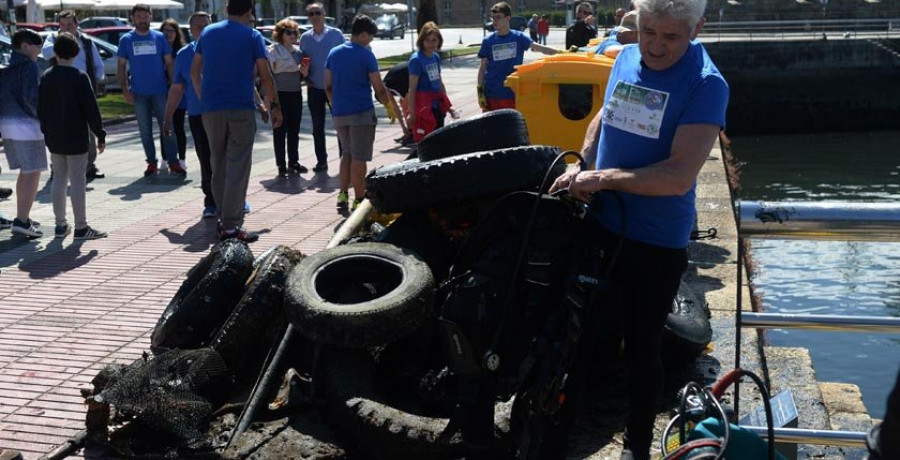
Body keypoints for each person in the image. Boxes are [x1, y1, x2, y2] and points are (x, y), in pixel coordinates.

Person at [548, 1, 729, 459]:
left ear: (697, 29)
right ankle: (560, 429)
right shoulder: (627, 57)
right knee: (581, 337)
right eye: (648, 32)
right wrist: (583, 163)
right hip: (602, 223)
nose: (655, 46)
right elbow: (603, 117)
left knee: (643, 348)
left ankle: (638, 442)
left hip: (655, 240)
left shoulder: (706, 85)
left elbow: (677, 177)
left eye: (671, 37)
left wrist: (603, 178)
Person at [191, 0, 282, 243]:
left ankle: (224, 215)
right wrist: (273, 105)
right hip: (240, 108)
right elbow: (266, 76)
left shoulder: (208, 33)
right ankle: (230, 225)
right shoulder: (252, 36)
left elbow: (194, 71)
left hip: (211, 109)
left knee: (218, 163)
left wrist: (203, 97)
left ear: (227, 10)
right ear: (249, 11)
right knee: (238, 165)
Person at [38, 32, 108, 240]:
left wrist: (46, 131)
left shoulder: (46, 76)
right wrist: (100, 134)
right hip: (76, 136)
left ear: (55, 52)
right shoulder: (79, 77)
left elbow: (40, 108)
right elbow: (91, 110)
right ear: (76, 53)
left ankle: (60, 224)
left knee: (58, 179)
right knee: (78, 180)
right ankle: (81, 226)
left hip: (54, 137)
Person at [325, 14, 392, 212]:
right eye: (370, 37)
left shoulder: (334, 53)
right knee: (359, 157)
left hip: (339, 113)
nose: (371, 41)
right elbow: (378, 87)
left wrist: (334, 105)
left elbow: (327, 85)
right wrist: (388, 105)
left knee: (346, 154)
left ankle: (343, 194)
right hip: (361, 112)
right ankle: (359, 198)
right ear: (362, 35)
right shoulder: (366, 55)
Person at [117, 4, 183, 177]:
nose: (142, 19)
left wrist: (174, 85)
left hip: (160, 90)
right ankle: (151, 162)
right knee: (145, 130)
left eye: (145, 15)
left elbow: (169, 62)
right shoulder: (126, 39)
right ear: (133, 18)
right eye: (138, 16)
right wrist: (125, 90)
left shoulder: (160, 37)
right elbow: (121, 66)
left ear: (151, 17)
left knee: (167, 126)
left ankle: (173, 161)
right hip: (138, 92)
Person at [41, 10, 106, 182]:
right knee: (59, 126)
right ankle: (57, 165)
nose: (65, 29)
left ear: (77, 24)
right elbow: (46, 53)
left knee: (89, 128)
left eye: (69, 25)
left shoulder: (86, 41)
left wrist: (97, 79)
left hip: (83, 88)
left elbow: (98, 65)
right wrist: (64, 45)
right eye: (62, 25)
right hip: (60, 92)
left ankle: (89, 166)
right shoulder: (53, 39)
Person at [163, 12, 216, 218]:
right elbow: (176, 89)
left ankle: (234, 198)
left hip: (222, 112)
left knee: (226, 158)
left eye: (206, 26)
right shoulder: (184, 55)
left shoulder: (220, 49)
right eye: (197, 27)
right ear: (190, 30)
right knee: (205, 159)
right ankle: (210, 201)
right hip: (198, 114)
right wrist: (167, 117)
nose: (202, 30)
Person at [0, 29, 46, 239]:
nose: (39, 52)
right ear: (26, 46)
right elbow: (31, 98)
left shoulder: (7, 66)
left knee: (25, 172)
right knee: (33, 172)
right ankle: (22, 220)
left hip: (7, 125)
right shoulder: (28, 66)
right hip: (27, 126)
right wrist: (45, 118)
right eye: (37, 47)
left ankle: (22, 216)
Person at [477, 2, 558, 112]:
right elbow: (482, 68)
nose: (495, 21)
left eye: (498, 17)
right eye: (493, 18)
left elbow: (540, 48)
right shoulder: (488, 41)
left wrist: (562, 52)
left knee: (511, 127)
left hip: (512, 93)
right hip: (492, 94)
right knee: (492, 128)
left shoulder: (518, 37)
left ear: (507, 18)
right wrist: (480, 91)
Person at [299, 2, 346, 173]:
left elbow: (345, 56)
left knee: (341, 124)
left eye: (317, 12)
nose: (315, 16)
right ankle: (321, 161)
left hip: (335, 88)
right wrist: (305, 77)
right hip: (314, 88)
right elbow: (303, 61)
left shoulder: (336, 34)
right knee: (317, 127)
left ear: (324, 14)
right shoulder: (305, 38)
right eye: (311, 14)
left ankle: (344, 159)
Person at [267, 19, 310, 177]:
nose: (293, 35)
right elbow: (271, 72)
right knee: (279, 129)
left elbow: (301, 74)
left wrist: (303, 74)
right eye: (289, 32)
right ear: (280, 34)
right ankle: (280, 164)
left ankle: (293, 161)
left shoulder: (300, 53)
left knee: (294, 130)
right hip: (279, 95)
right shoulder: (273, 50)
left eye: (295, 32)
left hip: (295, 94)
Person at [407, 22, 457, 143]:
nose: (431, 43)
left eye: (434, 40)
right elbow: (412, 89)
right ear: (421, 40)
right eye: (427, 40)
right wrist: (412, 113)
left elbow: (439, 82)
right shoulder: (416, 60)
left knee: (439, 141)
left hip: (437, 106)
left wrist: (448, 107)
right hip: (424, 108)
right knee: (426, 142)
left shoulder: (435, 57)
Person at [160, 18, 188, 171]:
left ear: (177, 33)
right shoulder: (159, 51)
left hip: (179, 95)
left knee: (178, 127)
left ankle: (181, 158)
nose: (168, 34)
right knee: (163, 125)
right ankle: (165, 158)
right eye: (165, 31)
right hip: (162, 93)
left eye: (171, 31)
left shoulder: (181, 51)